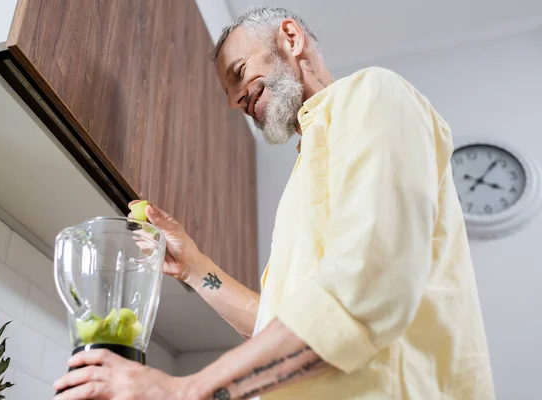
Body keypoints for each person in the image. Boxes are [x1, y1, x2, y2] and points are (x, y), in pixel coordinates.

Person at [53, 6, 495, 400]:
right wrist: (193, 265)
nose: (234, 101)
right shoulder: (305, 172)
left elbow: (361, 294)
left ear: (290, 37)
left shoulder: (373, 94)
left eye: (240, 72)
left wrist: (185, 390)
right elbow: (279, 321)